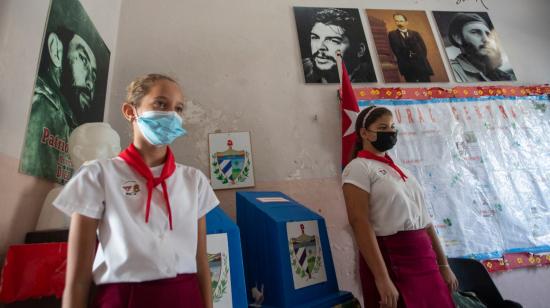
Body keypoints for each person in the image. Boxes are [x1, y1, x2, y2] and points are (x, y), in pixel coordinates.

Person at [54, 74, 218, 308]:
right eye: (161, 104)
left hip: (185, 297)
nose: (171, 114)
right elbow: (78, 279)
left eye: (178, 108)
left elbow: (201, 263)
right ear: (131, 111)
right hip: (123, 298)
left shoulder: (194, 181)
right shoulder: (97, 175)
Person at [341, 106, 458, 308]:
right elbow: (359, 222)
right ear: (364, 133)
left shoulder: (402, 171)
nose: (391, 131)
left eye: (393, 126)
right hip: (392, 258)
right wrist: (382, 278)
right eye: (383, 127)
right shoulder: (358, 168)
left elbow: (426, 222)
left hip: (424, 259)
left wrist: (443, 264)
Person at [20, 26, 97, 183]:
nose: (90, 83)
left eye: (94, 76)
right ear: (56, 51)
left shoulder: (68, 118)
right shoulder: (44, 102)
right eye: (83, 60)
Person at [302, 8, 376, 83]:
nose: (320, 47)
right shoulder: (303, 70)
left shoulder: (371, 79)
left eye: (334, 41)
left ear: (360, 50)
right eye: (315, 37)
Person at [447, 13, 516, 82]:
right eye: (475, 32)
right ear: (458, 38)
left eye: (488, 34)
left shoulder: (503, 75)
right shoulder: (451, 71)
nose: (486, 39)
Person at [388, 13, 433, 82]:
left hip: (421, 65)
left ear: (406, 22)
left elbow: (423, 50)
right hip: (407, 67)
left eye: (401, 21)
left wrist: (417, 58)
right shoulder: (392, 34)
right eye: (396, 21)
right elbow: (396, 50)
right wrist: (409, 55)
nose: (399, 23)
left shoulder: (415, 34)